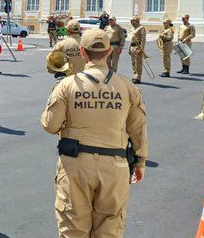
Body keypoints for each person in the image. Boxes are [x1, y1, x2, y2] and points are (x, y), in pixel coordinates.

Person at [41, 29, 148, 238]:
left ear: (82, 52)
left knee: (73, 228)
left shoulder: (67, 85)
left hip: (76, 166)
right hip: (115, 166)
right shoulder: (127, 86)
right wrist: (140, 161)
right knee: (110, 229)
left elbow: (50, 125)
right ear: (109, 52)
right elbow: (138, 127)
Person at [128, 16, 146, 84]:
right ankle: (135, 75)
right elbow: (132, 39)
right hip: (132, 46)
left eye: (132, 21)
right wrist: (130, 48)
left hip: (138, 47)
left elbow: (143, 39)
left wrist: (141, 49)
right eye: (131, 21)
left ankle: (138, 77)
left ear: (137, 21)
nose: (131, 22)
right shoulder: (132, 28)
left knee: (138, 63)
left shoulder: (141, 28)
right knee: (133, 63)